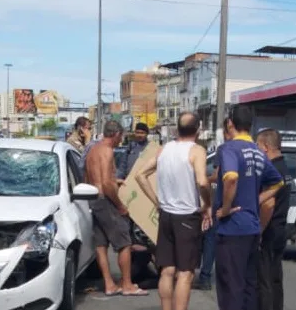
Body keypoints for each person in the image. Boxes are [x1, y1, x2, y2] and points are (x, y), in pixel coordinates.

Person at [135, 112, 213, 310]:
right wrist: (207, 205)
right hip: (187, 216)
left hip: (166, 215)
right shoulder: (197, 151)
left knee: (167, 271)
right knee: (186, 273)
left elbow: (140, 175)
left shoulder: (164, 150)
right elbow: (203, 181)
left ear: (177, 129)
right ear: (198, 130)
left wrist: (157, 202)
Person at [214, 105, 284, 310]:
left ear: (230, 124)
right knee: (248, 287)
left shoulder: (229, 148)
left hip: (231, 228)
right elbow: (278, 183)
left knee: (231, 287)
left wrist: (226, 208)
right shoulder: (257, 151)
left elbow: (231, 178)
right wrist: (255, 200)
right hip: (252, 228)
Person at [84, 120, 147, 297]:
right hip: (106, 200)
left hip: (94, 199)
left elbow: (90, 178)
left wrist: (115, 181)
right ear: (116, 134)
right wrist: (120, 206)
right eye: (121, 136)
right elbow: (106, 183)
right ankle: (127, 285)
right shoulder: (107, 151)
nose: (121, 141)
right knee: (124, 243)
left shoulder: (92, 151)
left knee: (101, 244)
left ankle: (109, 284)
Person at [193, 117, 234, 291]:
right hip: (241, 204)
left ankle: (205, 277)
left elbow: (218, 176)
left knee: (211, 239)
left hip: (223, 202)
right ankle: (231, 278)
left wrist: (202, 179)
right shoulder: (251, 148)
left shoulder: (224, 149)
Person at [255, 128, 290, 310]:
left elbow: (268, 204)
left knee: (264, 279)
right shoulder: (284, 167)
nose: (257, 150)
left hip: (269, 229)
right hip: (280, 228)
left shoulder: (271, 170)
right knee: (275, 278)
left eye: (258, 146)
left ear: (266, 147)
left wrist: (259, 231)